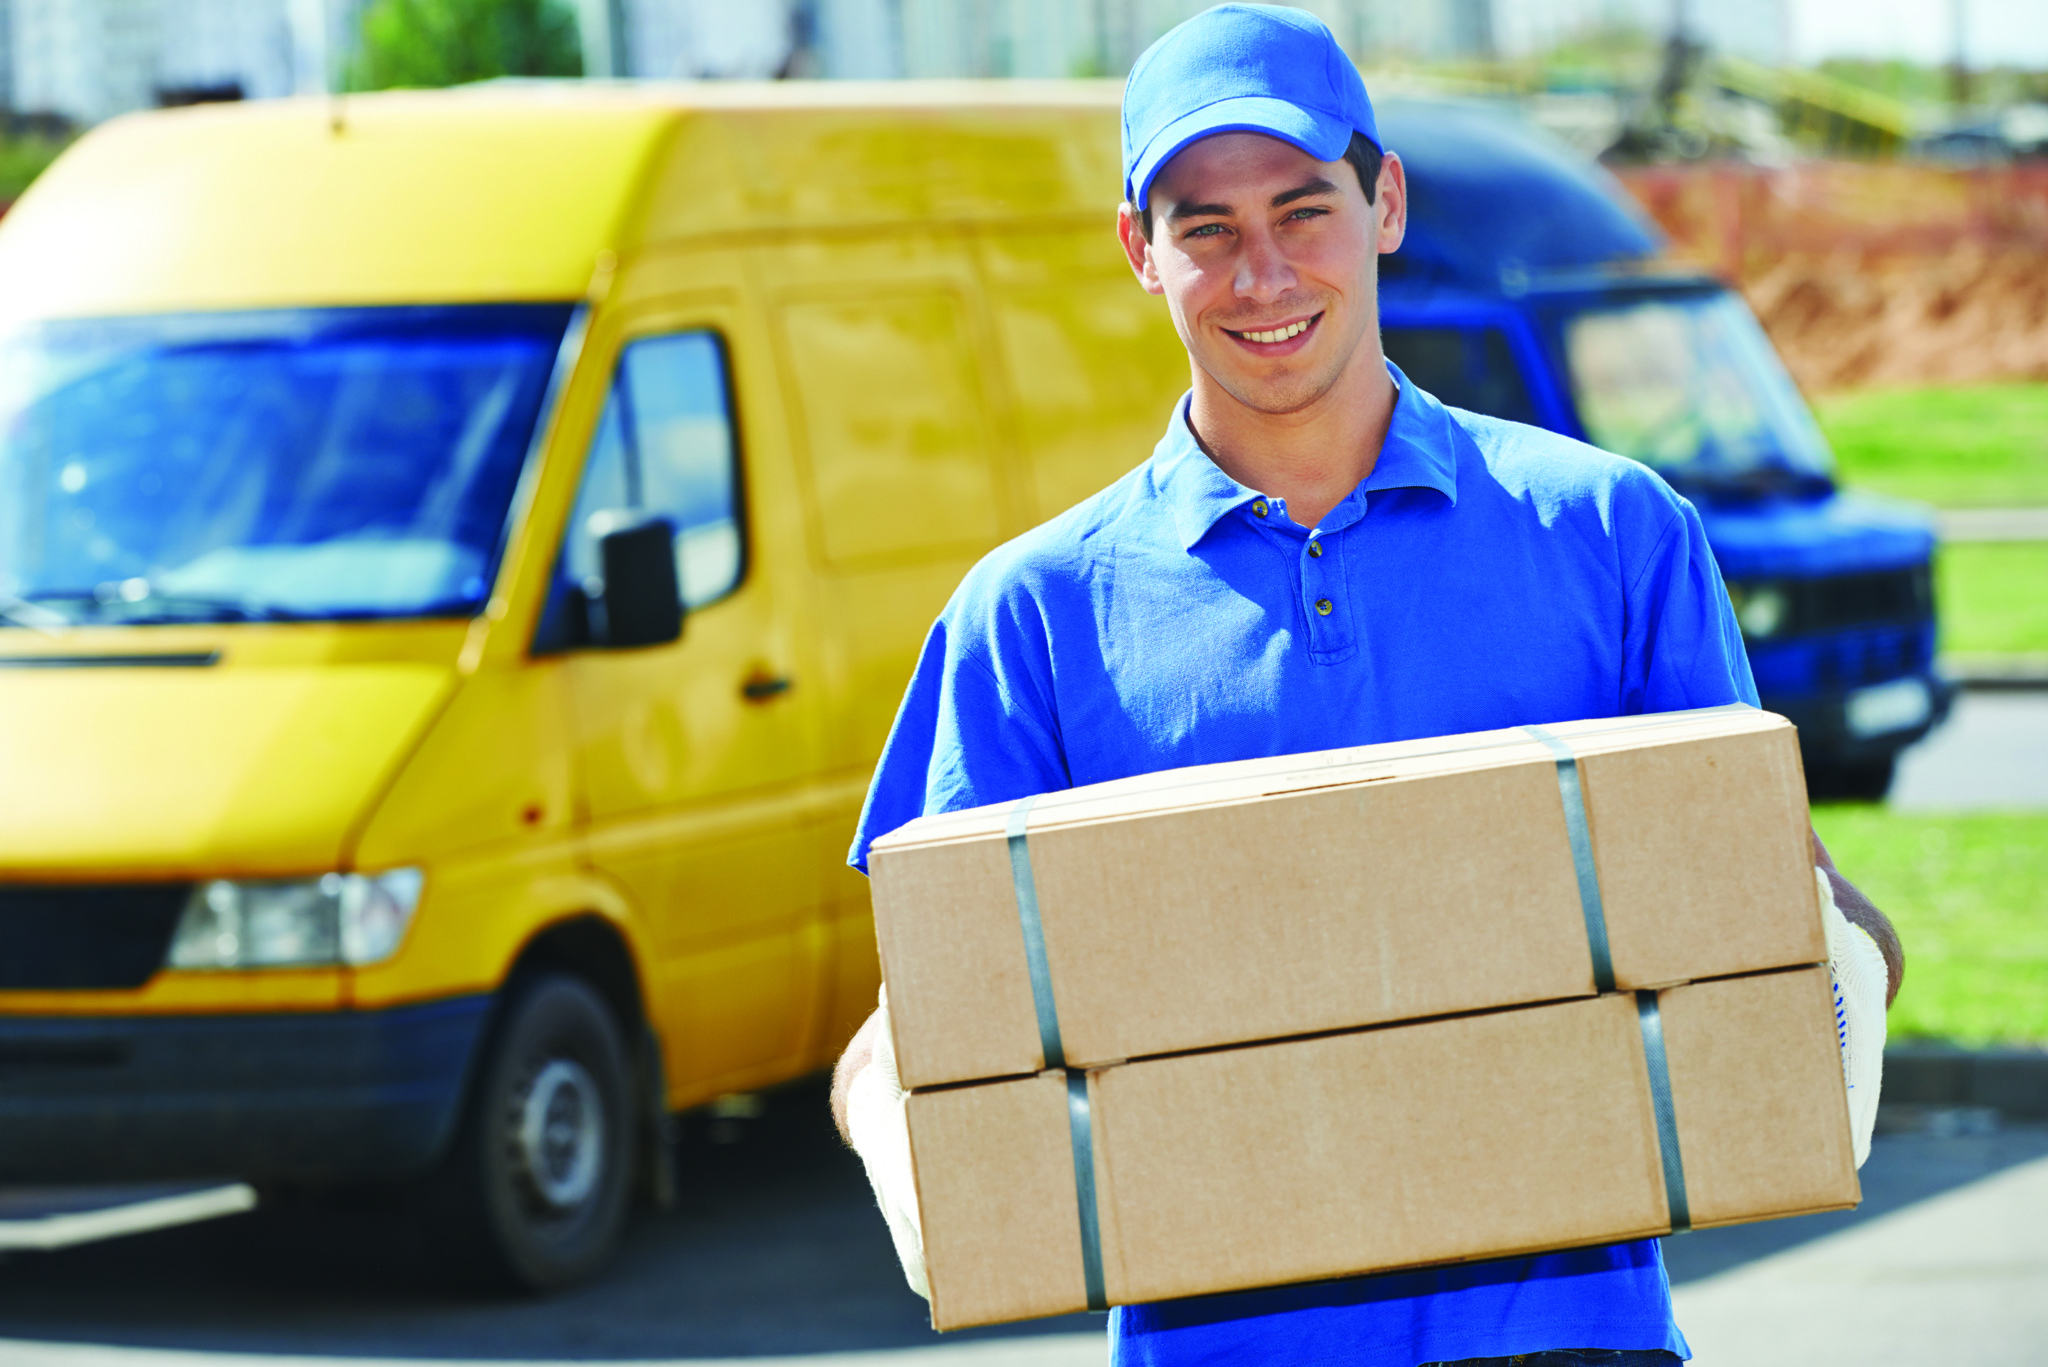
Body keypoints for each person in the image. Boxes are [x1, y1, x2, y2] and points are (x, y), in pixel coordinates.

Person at [832, 6, 1902, 1365]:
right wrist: (898, 1126)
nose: (1262, 272)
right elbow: (929, 1022)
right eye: (1205, 227)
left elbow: (1770, 915)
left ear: (1385, 201)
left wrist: (1836, 976)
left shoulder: (1613, 535)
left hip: (1571, 1340)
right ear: (1137, 253)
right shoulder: (1030, 618)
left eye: (1302, 209)